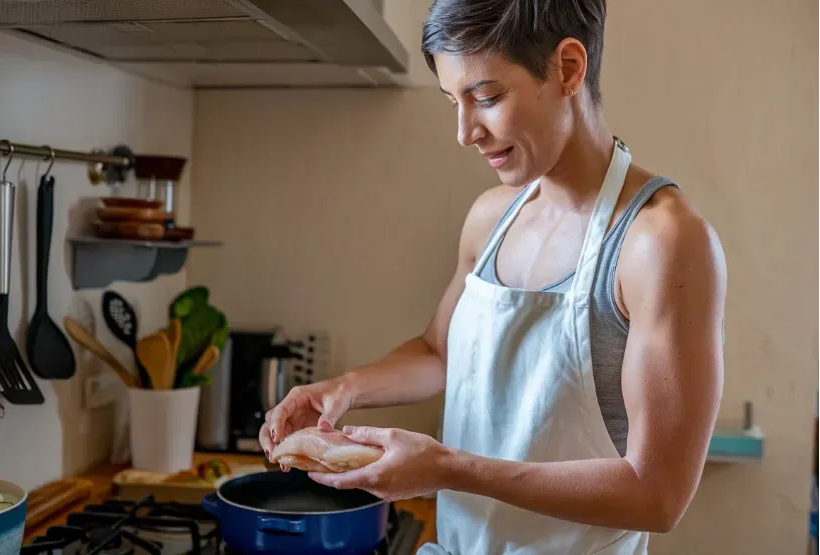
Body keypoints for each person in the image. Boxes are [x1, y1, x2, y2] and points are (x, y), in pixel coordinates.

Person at [260, 0, 727, 553]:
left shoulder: (661, 242)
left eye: (485, 97)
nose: (465, 132)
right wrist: (341, 391)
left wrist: (448, 470)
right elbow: (441, 352)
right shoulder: (491, 217)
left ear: (569, 69)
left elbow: (657, 496)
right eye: (452, 102)